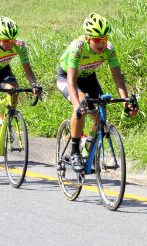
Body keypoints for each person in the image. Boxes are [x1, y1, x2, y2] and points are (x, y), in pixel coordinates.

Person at [56, 13, 138, 172]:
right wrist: (77, 106)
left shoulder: (109, 50)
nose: (101, 44)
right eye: (97, 40)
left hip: (88, 78)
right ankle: (74, 152)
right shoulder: (77, 47)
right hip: (67, 78)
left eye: (104, 39)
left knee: (101, 115)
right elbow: (72, 82)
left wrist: (125, 102)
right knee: (80, 107)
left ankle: (88, 150)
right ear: (88, 39)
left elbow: (118, 80)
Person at [0, 16, 42, 168]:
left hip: (4, 71)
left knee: (13, 89)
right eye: (7, 41)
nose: (11, 44)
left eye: (13, 40)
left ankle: (8, 121)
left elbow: (28, 70)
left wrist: (34, 84)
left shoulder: (19, 45)